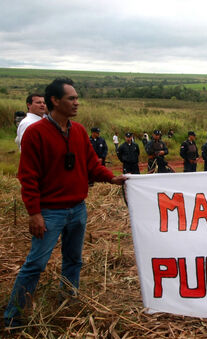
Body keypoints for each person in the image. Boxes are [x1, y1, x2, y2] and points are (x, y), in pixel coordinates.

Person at [4, 78, 127, 328]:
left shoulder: (79, 131)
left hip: (77, 209)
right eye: (71, 98)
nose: (76, 103)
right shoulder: (35, 133)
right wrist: (34, 213)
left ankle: (68, 302)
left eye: (77, 98)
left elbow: (92, 164)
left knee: (73, 260)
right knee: (35, 264)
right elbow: (28, 176)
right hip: (50, 212)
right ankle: (13, 317)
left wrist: (111, 178)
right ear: (55, 101)